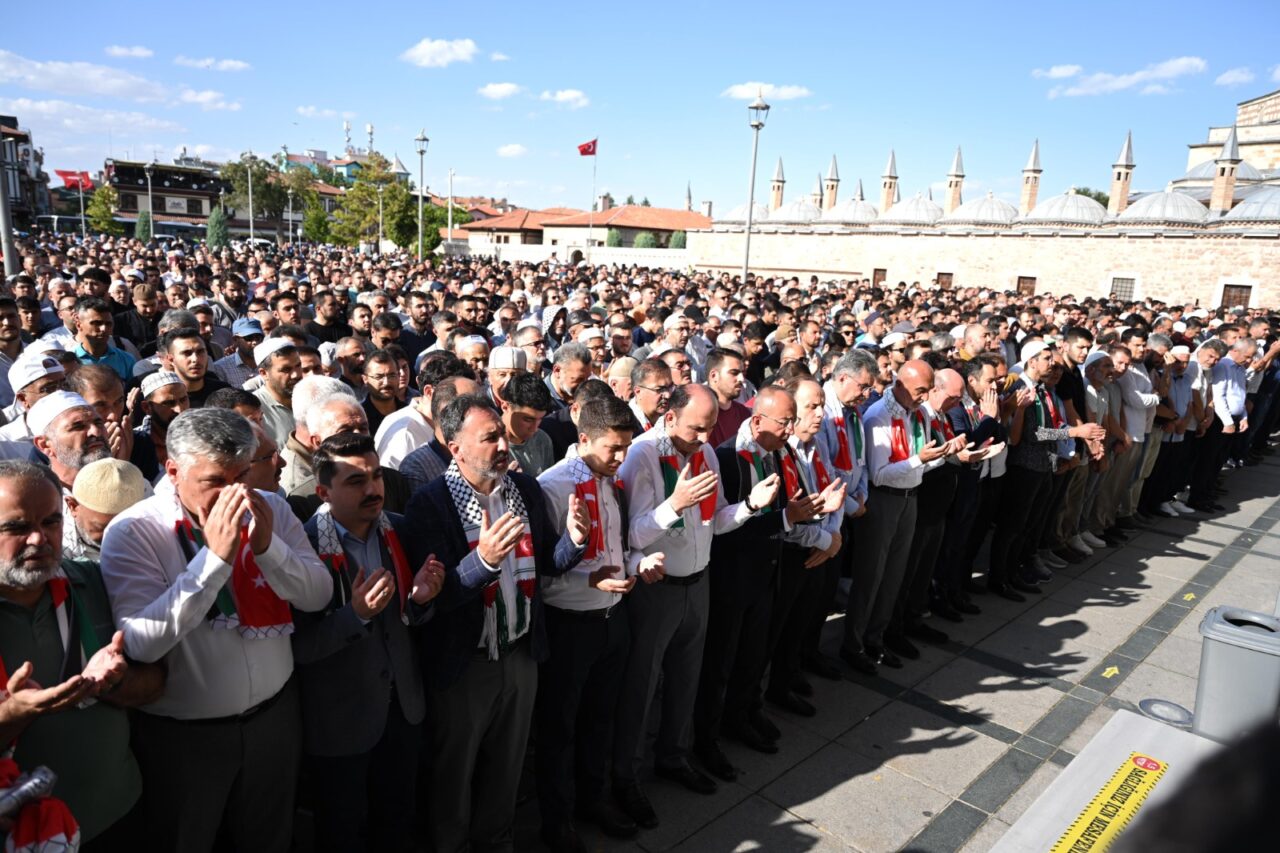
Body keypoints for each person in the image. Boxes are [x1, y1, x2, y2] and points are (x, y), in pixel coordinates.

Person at [99, 407, 332, 853]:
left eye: (242, 475)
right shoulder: (133, 531)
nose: (235, 494)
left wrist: (268, 549)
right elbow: (142, 644)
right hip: (185, 740)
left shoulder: (273, 509)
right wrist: (214, 561)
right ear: (173, 470)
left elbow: (318, 596)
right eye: (216, 482)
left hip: (274, 721)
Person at [401, 394, 591, 853]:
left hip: (521, 653)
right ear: (454, 446)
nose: (503, 446)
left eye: (502, 435)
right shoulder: (430, 504)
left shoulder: (523, 491)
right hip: (466, 666)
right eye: (490, 438)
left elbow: (546, 563)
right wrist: (482, 562)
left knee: (506, 768)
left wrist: (575, 541)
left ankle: (497, 842)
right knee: (455, 772)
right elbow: (433, 600)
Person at [613, 385, 779, 826]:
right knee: (642, 686)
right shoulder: (641, 455)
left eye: (709, 429)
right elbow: (631, 535)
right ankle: (626, 776)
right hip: (657, 589)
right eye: (695, 429)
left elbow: (717, 518)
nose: (705, 438)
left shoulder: (703, 454)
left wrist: (748, 506)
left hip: (697, 582)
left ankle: (674, 755)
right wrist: (674, 504)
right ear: (669, 418)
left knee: (687, 679)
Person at [0, 459, 164, 845]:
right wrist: (14, 715)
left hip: (120, 812)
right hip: (29, 835)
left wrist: (116, 683)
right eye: (17, 527)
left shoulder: (93, 581)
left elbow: (157, 682)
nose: (39, 539)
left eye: (50, 522)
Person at [296, 433, 445, 853]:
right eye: (355, 481)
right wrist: (355, 615)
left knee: (396, 820)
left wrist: (421, 601)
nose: (373, 489)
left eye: (376, 476)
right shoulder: (305, 547)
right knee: (341, 828)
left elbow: (411, 619)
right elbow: (299, 647)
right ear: (323, 492)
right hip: (341, 722)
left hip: (403, 708)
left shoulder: (399, 530)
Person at [534, 397, 665, 852]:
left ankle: (595, 798)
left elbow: (619, 546)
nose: (621, 458)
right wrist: (585, 576)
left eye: (627, 447)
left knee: (600, 718)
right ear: (583, 439)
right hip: (571, 624)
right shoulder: (551, 488)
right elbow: (543, 569)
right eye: (612, 448)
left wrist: (639, 562)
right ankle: (558, 818)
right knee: (561, 726)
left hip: (613, 618)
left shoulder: (612, 481)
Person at [841, 361, 966, 675]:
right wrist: (919, 460)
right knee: (871, 576)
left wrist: (945, 454)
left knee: (894, 574)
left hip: (910, 498)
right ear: (899, 383)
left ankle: (876, 637)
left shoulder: (914, 414)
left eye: (926, 391)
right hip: (883, 502)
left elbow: (918, 463)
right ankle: (853, 643)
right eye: (919, 391)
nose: (923, 397)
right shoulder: (878, 416)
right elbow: (880, 475)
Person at [64, 456, 149, 560]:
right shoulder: (58, 549)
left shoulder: (152, 522)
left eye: (126, 527)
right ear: (73, 506)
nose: (115, 537)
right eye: (102, 528)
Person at [500, 371, 556, 477]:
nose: (534, 428)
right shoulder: (488, 446)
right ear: (506, 407)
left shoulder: (542, 440)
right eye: (528, 420)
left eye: (540, 419)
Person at [158, 326, 230, 408]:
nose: (195, 359)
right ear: (171, 359)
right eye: (187, 353)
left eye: (200, 351)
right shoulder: (161, 399)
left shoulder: (223, 392)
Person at [253, 338, 303, 448]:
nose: (296, 375)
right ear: (264, 373)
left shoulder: (311, 396)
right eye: (286, 369)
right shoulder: (253, 408)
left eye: (298, 365)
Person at [73, 297, 135, 379]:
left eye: (108, 324)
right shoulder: (70, 361)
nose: (104, 329)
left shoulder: (126, 360)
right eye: (96, 323)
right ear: (79, 325)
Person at [706, 348, 751, 447]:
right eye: (734, 373)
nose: (741, 379)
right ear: (714, 376)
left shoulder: (744, 413)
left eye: (742, 373)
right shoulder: (699, 414)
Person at [360, 349, 404, 438]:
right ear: (365, 379)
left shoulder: (408, 413)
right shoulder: (360, 418)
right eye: (379, 377)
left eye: (392, 375)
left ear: (399, 376)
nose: (386, 382)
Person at [629, 358, 673, 433]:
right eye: (660, 389)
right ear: (638, 391)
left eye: (670, 387)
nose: (668, 395)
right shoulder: (626, 427)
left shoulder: (672, 420)